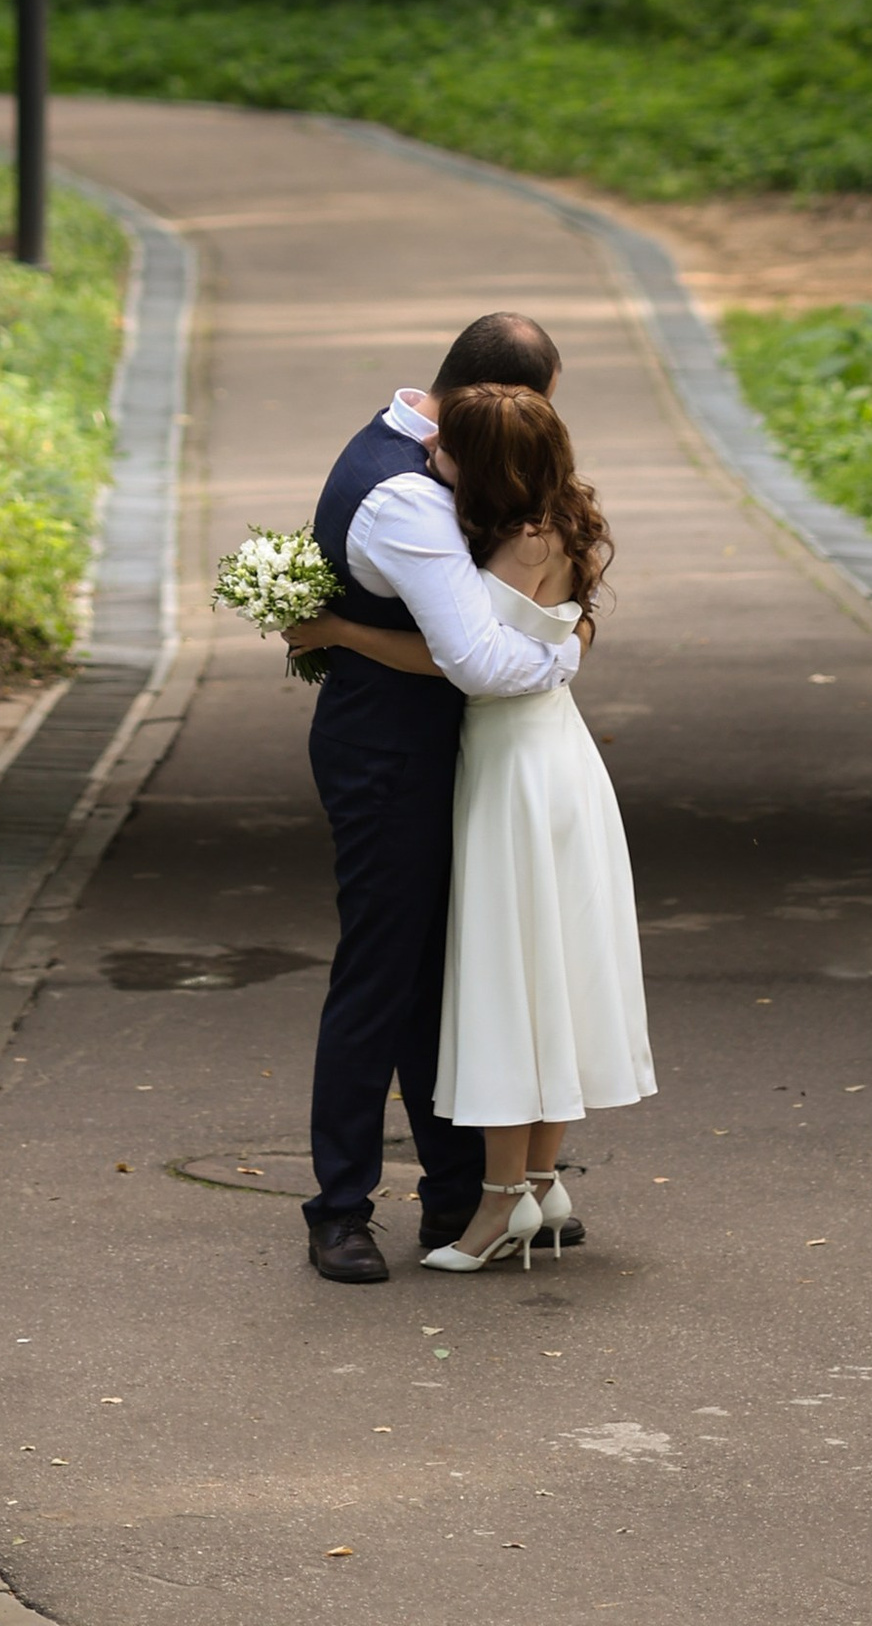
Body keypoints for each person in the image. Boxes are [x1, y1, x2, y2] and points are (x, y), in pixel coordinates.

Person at [294, 381, 653, 1273]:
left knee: (496, 971)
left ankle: (491, 1195)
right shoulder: (544, 516)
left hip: (510, 765)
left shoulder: (507, 537)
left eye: (447, 450)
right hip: (529, 759)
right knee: (516, 966)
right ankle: (518, 1184)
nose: (430, 458)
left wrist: (336, 626)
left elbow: (476, 665)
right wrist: (571, 646)